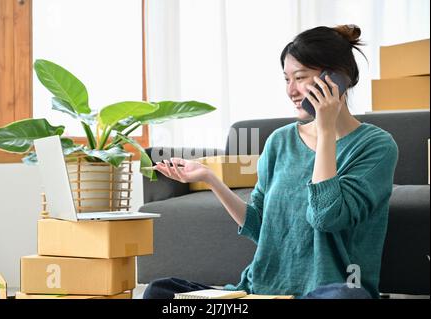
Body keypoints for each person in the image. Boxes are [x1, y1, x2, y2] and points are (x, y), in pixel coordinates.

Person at [143, 24, 398, 299]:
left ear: (336, 79)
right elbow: (260, 228)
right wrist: (210, 179)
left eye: (300, 77)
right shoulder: (280, 141)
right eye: (286, 79)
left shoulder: (376, 146)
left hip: (334, 290)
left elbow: (326, 218)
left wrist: (325, 130)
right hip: (262, 290)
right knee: (160, 292)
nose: (291, 90)